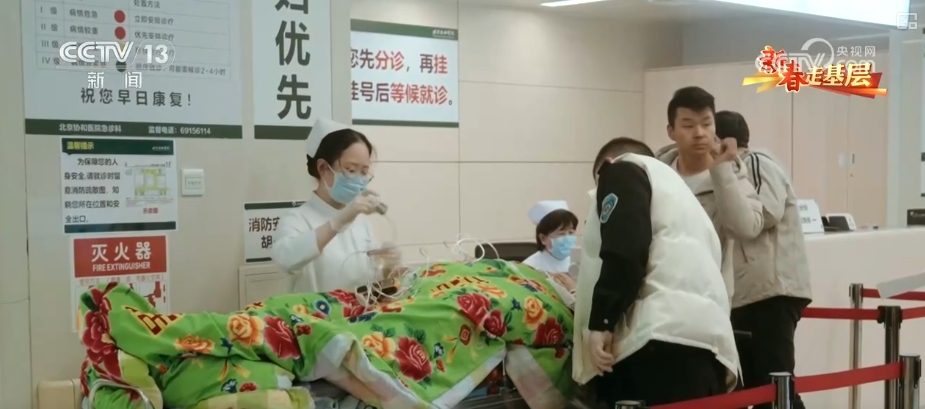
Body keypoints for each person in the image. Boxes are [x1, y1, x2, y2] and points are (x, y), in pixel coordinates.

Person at [572, 137, 739, 407]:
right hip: (710, 346)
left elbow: (625, 249)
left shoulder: (620, 170)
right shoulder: (685, 201)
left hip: (656, 342)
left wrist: (602, 320)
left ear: (605, 166)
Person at [715, 110, 812, 409]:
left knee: (775, 386)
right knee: (759, 389)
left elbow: (765, 212)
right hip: (750, 293)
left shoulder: (756, 163)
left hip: (770, 292)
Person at [272, 118, 399, 293]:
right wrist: (337, 222)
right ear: (323, 168)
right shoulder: (297, 219)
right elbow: (286, 259)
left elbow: (368, 282)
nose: (359, 180)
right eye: (351, 170)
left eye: (364, 172)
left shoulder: (361, 222)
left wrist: (387, 269)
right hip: (316, 311)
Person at [522, 200, 579, 296]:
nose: (567, 238)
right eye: (561, 234)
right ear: (543, 238)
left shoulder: (580, 261)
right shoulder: (529, 267)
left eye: (571, 232)